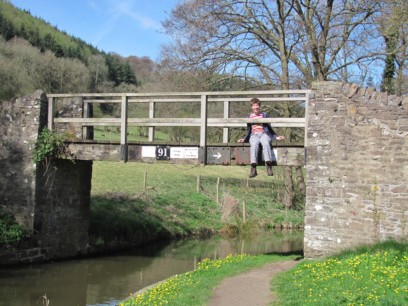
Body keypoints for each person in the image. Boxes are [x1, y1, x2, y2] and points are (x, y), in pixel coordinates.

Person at [238, 98, 285, 178]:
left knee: (266, 143)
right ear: (251, 107)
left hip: (264, 134)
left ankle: (269, 166)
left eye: (257, 106)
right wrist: (244, 139)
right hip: (254, 134)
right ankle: (253, 168)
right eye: (254, 106)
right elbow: (249, 130)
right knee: (254, 144)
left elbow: (269, 128)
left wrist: (276, 136)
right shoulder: (249, 116)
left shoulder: (264, 115)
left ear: (259, 106)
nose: (256, 107)